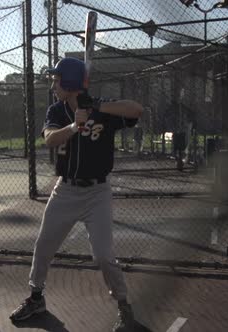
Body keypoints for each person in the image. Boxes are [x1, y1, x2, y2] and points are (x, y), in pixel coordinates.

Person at [9, 57, 143, 331]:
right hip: (65, 191)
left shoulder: (103, 108)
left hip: (98, 193)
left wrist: (96, 107)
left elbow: (137, 110)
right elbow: (49, 138)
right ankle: (36, 298)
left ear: (70, 83)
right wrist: (73, 127)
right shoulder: (57, 111)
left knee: (104, 256)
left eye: (57, 80)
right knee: (44, 246)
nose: (54, 85)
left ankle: (123, 305)